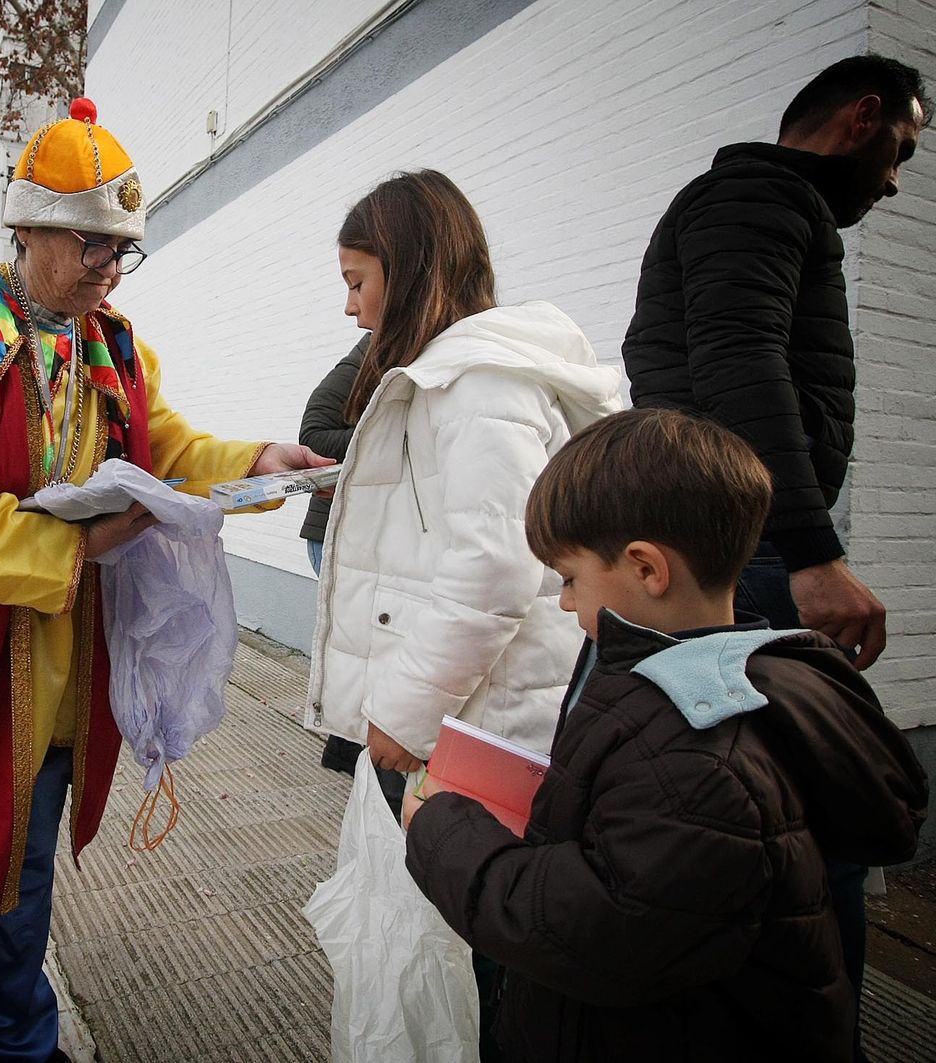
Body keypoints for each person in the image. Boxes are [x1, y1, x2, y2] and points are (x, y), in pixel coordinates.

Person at [0, 97, 330, 1063]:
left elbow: (164, 449)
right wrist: (84, 546)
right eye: (89, 246)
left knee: (10, 894)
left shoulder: (111, 345)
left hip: (40, 684)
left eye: (122, 251)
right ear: (27, 227)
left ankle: (2, 1050)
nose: (108, 271)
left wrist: (254, 462)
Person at [402, 408, 929, 1062]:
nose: (565, 603)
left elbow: (597, 930)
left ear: (647, 569)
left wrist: (442, 827)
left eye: (570, 578)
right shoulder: (733, 681)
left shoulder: (692, 750)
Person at [620, 55, 931, 1048]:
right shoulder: (757, 198)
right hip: (744, 552)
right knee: (797, 806)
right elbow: (739, 358)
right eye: (900, 152)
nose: (891, 180)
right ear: (863, 118)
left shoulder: (752, 204)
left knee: (754, 800)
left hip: (732, 545)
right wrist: (808, 548)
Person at [304, 170, 620, 1058]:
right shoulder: (454, 378)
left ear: (407, 272)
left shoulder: (480, 385)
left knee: (475, 959)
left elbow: (492, 571)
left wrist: (403, 717)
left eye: (357, 281)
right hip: (467, 712)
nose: (351, 308)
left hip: (476, 725)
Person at [300, 337, 408, 817]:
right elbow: (315, 433)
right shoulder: (375, 349)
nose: (351, 306)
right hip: (341, 537)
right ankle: (359, 760)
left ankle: (349, 753)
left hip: (382, 539)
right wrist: (404, 435)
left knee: (374, 651)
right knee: (369, 652)